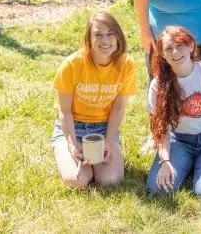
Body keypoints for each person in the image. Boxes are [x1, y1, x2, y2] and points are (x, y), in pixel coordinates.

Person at [51, 11, 137, 188]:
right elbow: (64, 111)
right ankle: (63, 150)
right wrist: (73, 145)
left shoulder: (126, 65)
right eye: (98, 35)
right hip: (72, 127)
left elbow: (119, 108)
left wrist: (109, 141)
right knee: (77, 181)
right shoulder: (72, 65)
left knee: (109, 181)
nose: (105, 41)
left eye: (110, 34)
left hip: (103, 129)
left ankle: (95, 163)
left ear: (118, 37)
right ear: (88, 39)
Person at [145, 26, 201, 199]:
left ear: (191, 46)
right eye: (169, 48)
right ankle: (187, 163)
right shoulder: (158, 84)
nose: (175, 52)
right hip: (179, 140)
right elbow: (160, 129)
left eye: (180, 45)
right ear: (162, 54)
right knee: (157, 191)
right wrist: (165, 161)